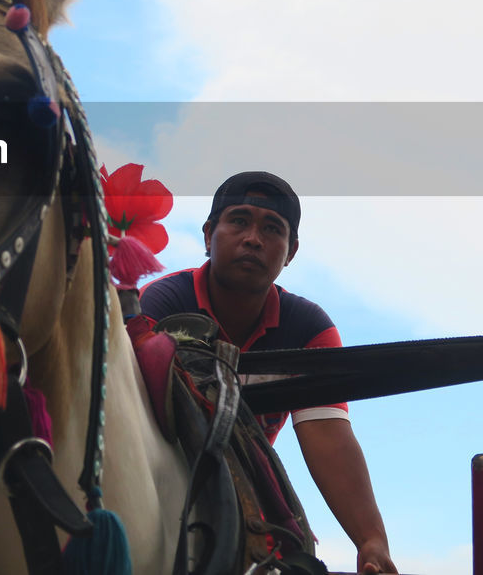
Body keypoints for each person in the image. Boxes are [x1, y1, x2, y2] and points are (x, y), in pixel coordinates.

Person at [139, 171, 398, 575]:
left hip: (248, 500)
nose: (253, 239)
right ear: (209, 235)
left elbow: (328, 435)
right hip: (155, 485)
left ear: (290, 251)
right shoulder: (162, 303)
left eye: (271, 228)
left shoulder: (309, 329)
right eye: (239, 221)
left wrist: (371, 540)